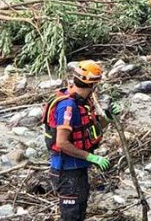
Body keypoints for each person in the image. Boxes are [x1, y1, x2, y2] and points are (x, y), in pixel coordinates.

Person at [46, 61, 120, 221]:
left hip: (78, 169)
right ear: (93, 84)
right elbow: (62, 142)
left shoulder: (83, 102)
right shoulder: (68, 107)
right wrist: (91, 157)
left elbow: (90, 130)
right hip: (66, 171)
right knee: (71, 216)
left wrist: (107, 118)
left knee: (79, 213)